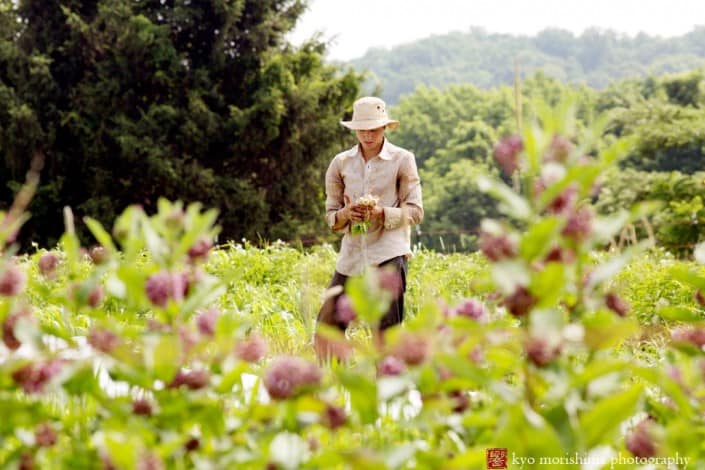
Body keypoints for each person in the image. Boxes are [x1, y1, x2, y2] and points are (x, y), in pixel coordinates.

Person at [315, 96, 423, 354]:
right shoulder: (340, 163)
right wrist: (347, 213)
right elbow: (331, 217)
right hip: (352, 254)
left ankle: (386, 392)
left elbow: (416, 211)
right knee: (327, 327)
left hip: (389, 252)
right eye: (362, 129)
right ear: (355, 130)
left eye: (373, 129)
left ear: (384, 127)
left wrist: (380, 213)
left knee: (386, 334)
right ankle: (333, 388)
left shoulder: (402, 159)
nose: (368, 135)